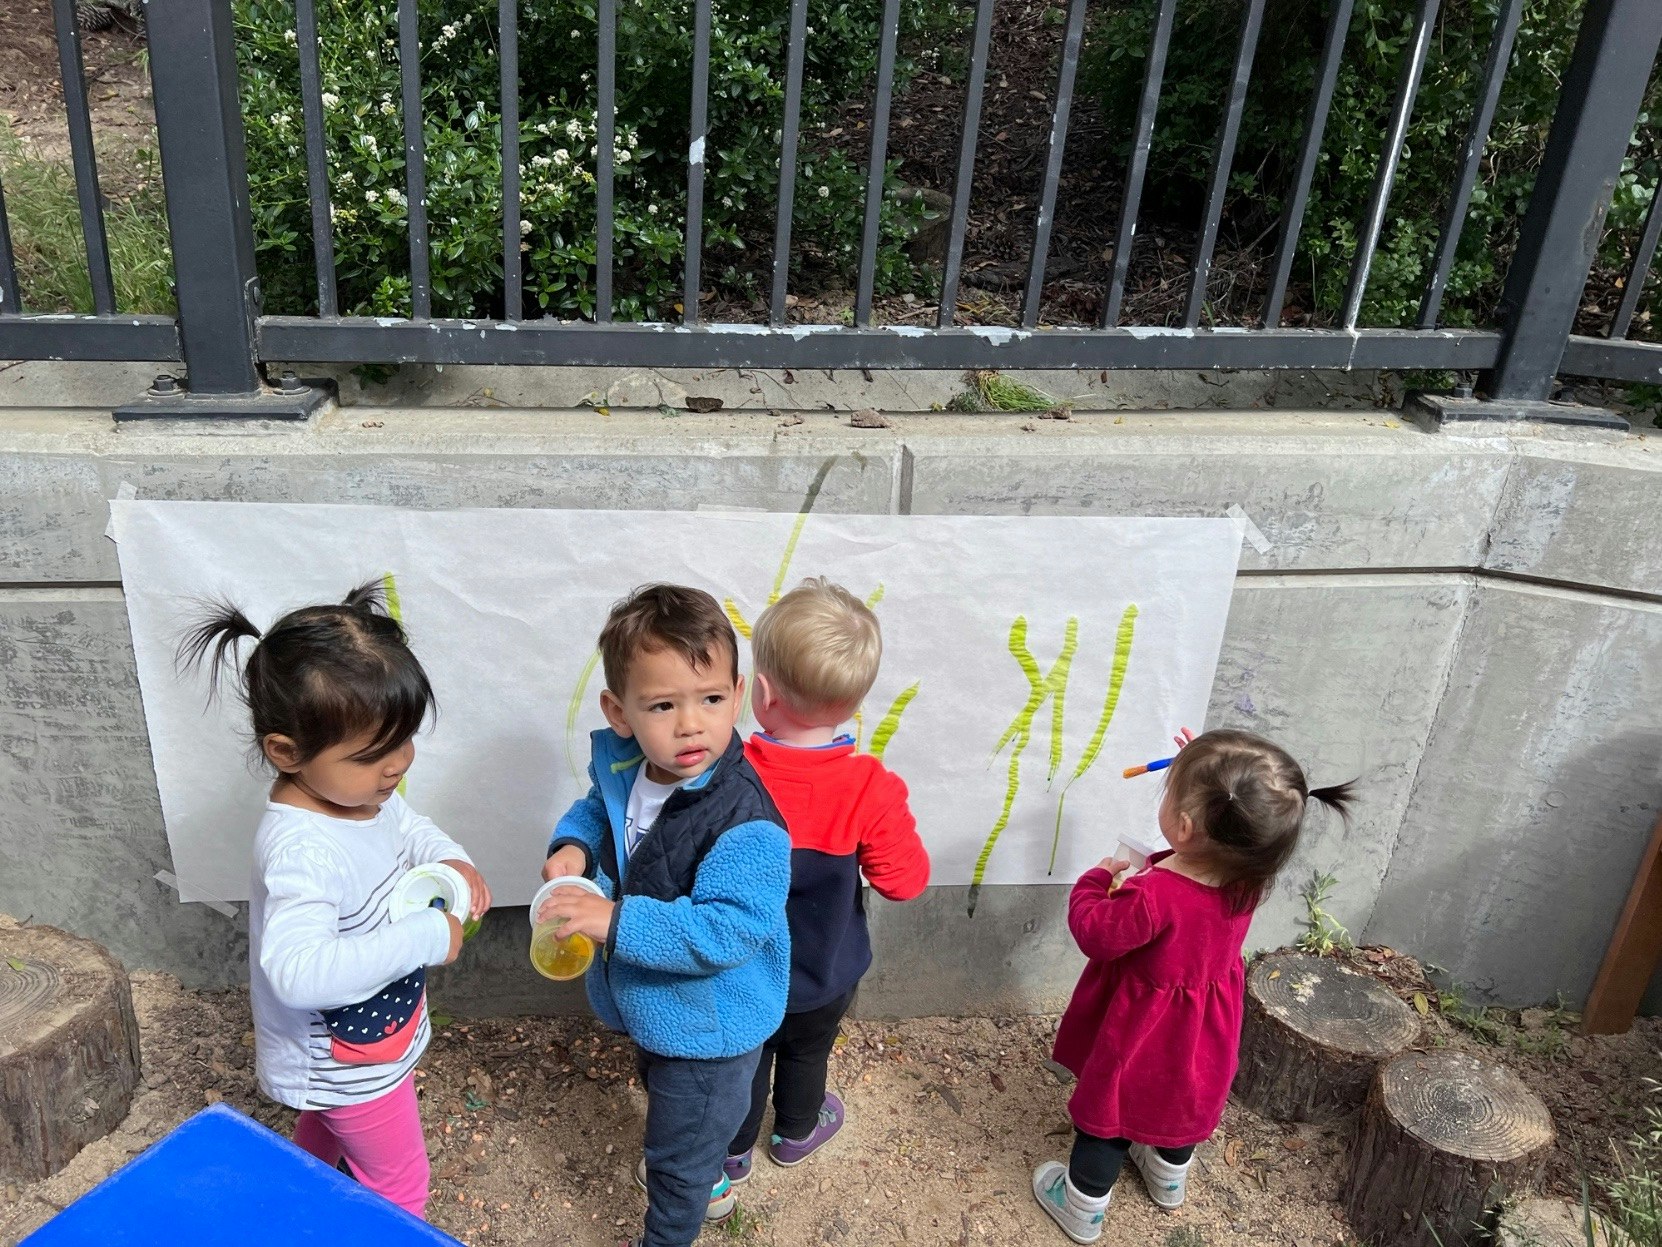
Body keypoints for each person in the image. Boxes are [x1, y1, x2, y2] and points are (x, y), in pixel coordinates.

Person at [179, 582, 490, 1219]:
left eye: (404, 740)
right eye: (374, 754)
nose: (398, 765)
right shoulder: (303, 851)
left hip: (361, 1050)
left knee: (319, 1156)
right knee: (400, 1191)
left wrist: (447, 855)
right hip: (345, 1068)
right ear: (286, 752)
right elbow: (297, 973)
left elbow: (406, 823)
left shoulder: (358, 794)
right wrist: (427, 938)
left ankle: (290, 1215)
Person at [536, 583, 791, 1247]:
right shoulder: (629, 763)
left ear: (738, 695)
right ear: (620, 711)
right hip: (660, 1007)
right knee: (664, 1085)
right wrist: (574, 844)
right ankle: (711, 1160)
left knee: (673, 1162)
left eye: (710, 699)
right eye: (662, 704)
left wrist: (613, 921)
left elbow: (727, 931)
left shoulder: (746, 823)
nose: (689, 724)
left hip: (712, 1023)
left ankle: (673, 1226)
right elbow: (601, 807)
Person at [1032, 728, 1354, 1243]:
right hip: (1204, 1028)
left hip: (1141, 1029)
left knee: (1109, 1114)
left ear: (1183, 825)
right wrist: (1210, 773)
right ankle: (1167, 1177)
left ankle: (1081, 1207)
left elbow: (1096, 935)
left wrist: (1096, 881)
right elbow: (1235, 814)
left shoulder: (1154, 895)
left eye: (1170, 793)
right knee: (1184, 1095)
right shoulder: (1249, 877)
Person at [726, 577, 930, 1175]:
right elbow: (906, 881)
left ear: (760, 693)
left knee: (746, 1059)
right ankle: (794, 1133)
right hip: (826, 968)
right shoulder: (871, 786)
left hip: (740, 968)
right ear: (854, 703)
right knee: (807, 1052)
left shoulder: (730, 772)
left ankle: (733, 1154)